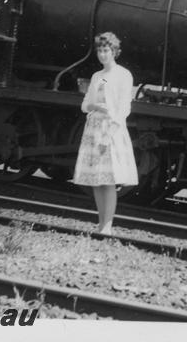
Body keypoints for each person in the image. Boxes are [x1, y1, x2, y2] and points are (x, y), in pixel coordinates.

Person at [73, 32, 138, 235]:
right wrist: (94, 106)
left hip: (111, 129)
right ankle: (100, 223)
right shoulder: (96, 76)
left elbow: (123, 108)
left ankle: (108, 226)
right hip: (93, 128)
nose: (103, 55)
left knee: (108, 180)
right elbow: (85, 105)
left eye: (106, 50)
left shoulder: (123, 75)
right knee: (95, 179)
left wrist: (110, 133)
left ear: (114, 52)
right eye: (100, 51)